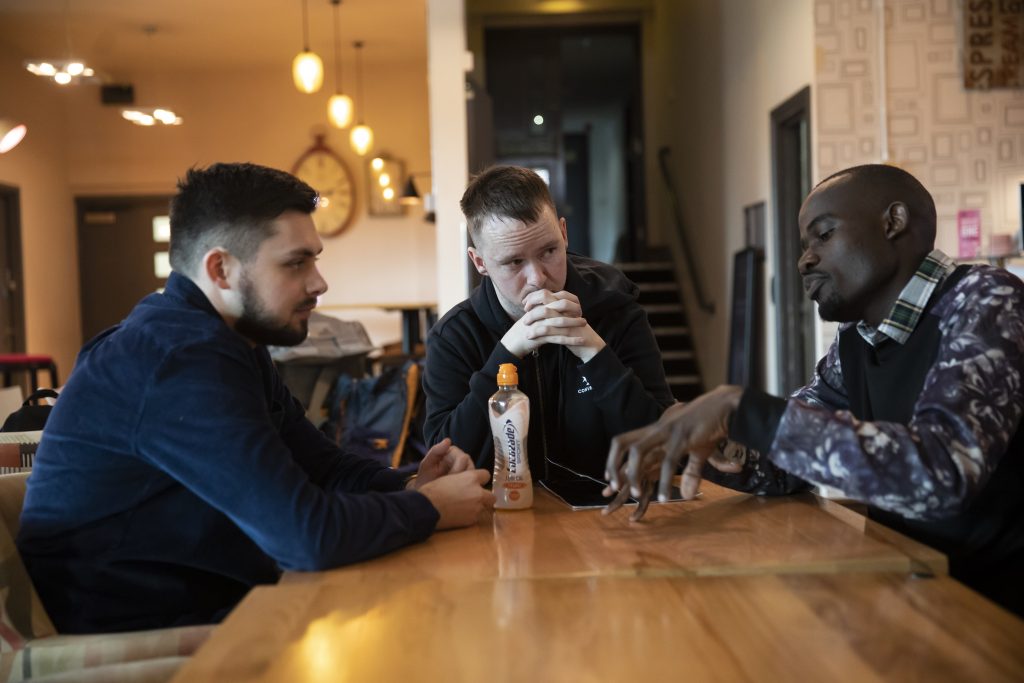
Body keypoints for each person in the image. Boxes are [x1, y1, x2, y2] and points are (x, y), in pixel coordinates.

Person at [17, 162, 494, 634]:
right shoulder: (179, 359)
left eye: (315, 258)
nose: (319, 282)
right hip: (142, 637)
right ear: (221, 269)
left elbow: (324, 467)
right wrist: (430, 509)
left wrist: (408, 486)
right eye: (295, 263)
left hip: (217, 604)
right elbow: (307, 536)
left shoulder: (230, 343)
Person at [604, 163, 1024, 616]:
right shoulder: (858, 341)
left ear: (893, 222)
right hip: (915, 594)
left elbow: (942, 474)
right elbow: (785, 464)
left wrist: (739, 407)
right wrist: (694, 445)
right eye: (804, 246)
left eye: (823, 236)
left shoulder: (987, 301)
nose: (804, 260)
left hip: (997, 610)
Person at [423, 165, 675, 482]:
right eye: (514, 262)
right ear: (480, 263)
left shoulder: (616, 309)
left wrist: (594, 352)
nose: (538, 278)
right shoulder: (453, 336)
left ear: (564, 233)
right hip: (499, 516)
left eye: (549, 251)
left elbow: (667, 444)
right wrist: (506, 354)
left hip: (605, 514)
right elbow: (441, 464)